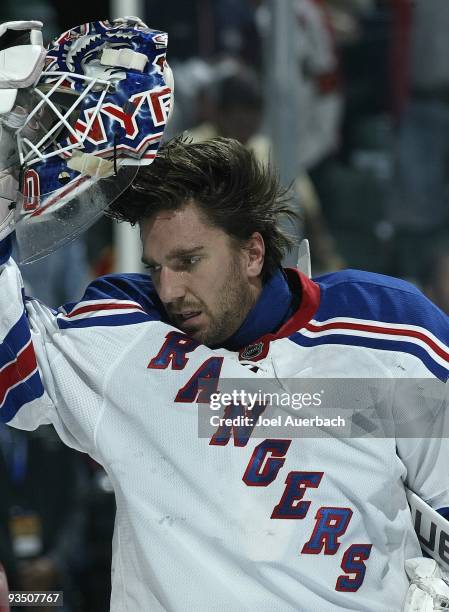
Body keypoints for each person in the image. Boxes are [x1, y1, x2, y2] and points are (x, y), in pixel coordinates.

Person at [1, 17, 449, 612]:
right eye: (158, 266)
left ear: (252, 251)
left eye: (189, 261)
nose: (170, 289)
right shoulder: (124, 332)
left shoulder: (390, 330)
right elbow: (12, 368)